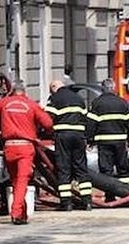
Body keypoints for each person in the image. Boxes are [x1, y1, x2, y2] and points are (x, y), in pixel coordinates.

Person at [0, 80, 52, 224]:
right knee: (22, 181)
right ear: (24, 91)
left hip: (9, 147)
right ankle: (16, 213)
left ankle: (22, 214)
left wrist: (3, 100)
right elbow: (48, 124)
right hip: (25, 147)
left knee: (16, 182)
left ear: (12, 91)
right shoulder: (31, 105)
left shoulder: (5, 102)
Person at [46, 79, 91, 210]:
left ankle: (66, 203)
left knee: (64, 167)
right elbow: (86, 118)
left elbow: (47, 118)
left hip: (63, 135)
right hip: (79, 135)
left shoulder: (55, 98)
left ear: (54, 88)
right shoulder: (79, 99)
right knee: (81, 167)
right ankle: (87, 201)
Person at [86, 78, 129, 201]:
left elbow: (91, 123)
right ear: (114, 88)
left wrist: (90, 140)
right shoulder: (122, 102)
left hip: (104, 142)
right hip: (120, 141)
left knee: (106, 170)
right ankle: (126, 196)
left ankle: (110, 196)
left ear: (103, 89)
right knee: (123, 169)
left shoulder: (97, 103)